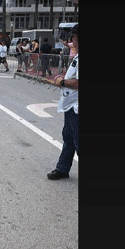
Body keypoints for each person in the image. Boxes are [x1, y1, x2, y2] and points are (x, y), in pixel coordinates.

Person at [47, 25, 79, 180]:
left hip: (77, 107)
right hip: (71, 105)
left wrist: (63, 82)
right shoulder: (78, 57)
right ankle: (63, 168)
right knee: (68, 137)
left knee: (78, 140)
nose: (71, 41)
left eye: (73, 38)